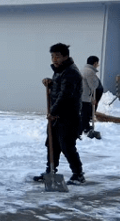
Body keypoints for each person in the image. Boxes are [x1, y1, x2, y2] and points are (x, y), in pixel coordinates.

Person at [34, 43, 86, 185]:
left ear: (65, 56)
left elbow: (66, 96)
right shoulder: (60, 71)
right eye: (52, 56)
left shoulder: (71, 72)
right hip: (58, 116)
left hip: (68, 116)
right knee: (52, 144)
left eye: (57, 56)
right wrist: (51, 83)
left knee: (67, 146)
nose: (54, 59)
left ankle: (78, 174)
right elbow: (59, 88)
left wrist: (53, 111)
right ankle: (50, 171)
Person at [80, 55, 103, 138]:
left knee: (83, 115)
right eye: (97, 63)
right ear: (95, 63)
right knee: (85, 115)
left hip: (81, 96)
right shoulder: (90, 72)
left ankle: (84, 128)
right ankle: (83, 130)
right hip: (85, 97)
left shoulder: (82, 70)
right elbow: (93, 86)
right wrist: (96, 80)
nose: (98, 65)